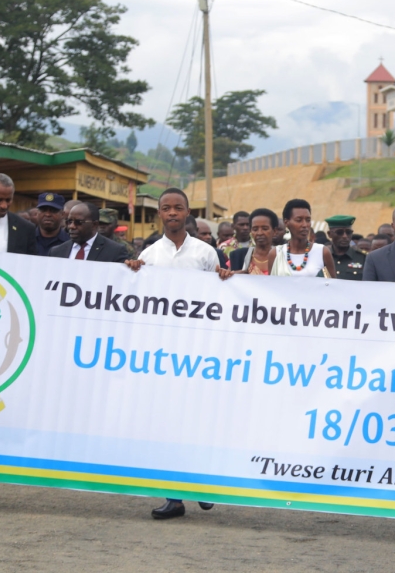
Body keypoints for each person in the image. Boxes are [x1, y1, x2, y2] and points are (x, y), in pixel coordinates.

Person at [125, 188, 233, 519]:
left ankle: (200, 484)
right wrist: (131, 271)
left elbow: (220, 297)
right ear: (159, 213)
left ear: (188, 212)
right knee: (167, 422)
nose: (172, 212)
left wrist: (225, 277)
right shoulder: (150, 255)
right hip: (161, 352)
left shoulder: (205, 252)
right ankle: (173, 497)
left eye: (178, 208)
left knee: (198, 420)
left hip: (198, 351)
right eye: (166, 208)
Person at [50, 203, 130, 263]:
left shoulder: (115, 251)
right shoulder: (56, 252)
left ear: (94, 224)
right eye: (69, 221)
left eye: (78, 222)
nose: (72, 226)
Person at [230, 209, 278, 275]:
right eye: (255, 229)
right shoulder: (239, 256)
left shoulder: (282, 256)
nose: (259, 233)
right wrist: (229, 274)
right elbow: (228, 276)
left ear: (275, 231)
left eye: (265, 229)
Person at [326, 215, 366, 281]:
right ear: (329, 234)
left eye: (348, 232)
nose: (345, 236)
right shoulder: (322, 257)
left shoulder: (362, 257)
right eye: (339, 232)